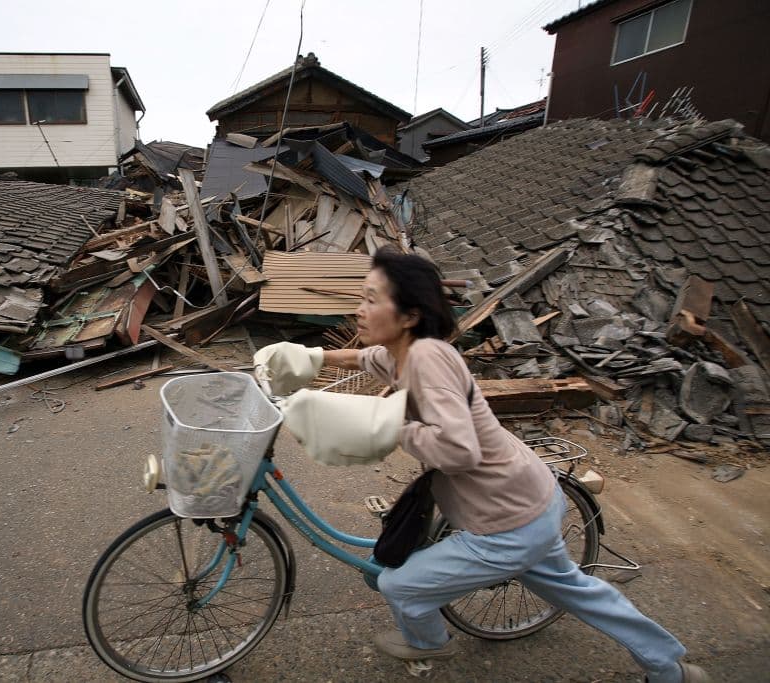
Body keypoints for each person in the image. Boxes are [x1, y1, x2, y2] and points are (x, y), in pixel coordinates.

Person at [264, 248, 708, 682]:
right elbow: (364, 357)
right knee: (581, 592)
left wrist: (384, 422)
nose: (359, 310)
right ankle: (671, 668)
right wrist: (312, 358)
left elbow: (459, 452)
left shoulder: (426, 361)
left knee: (400, 586)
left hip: (507, 524)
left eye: (371, 299)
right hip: (531, 494)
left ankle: (428, 643)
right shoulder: (407, 350)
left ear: (410, 315)